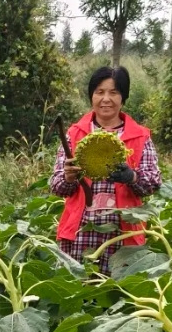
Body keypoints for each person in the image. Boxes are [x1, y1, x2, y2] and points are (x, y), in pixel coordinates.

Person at [51, 66, 162, 274]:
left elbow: (153, 182)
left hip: (123, 235)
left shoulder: (139, 136)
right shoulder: (75, 134)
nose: (106, 99)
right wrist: (68, 177)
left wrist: (132, 177)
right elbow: (56, 186)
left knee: (117, 296)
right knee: (76, 292)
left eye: (114, 92)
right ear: (91, 96)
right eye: (99, 92)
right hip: (80, 232)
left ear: (123, 97)